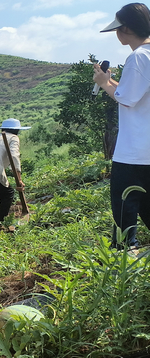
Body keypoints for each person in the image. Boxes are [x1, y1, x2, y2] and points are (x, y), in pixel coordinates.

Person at [94, 2, 150, 249]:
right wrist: (110, 81)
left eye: (118, 29)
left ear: (125, 28)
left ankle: (127, 258)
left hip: (134, 153)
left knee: (125, 209)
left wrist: (103, 84)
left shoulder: (138, 57)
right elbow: (135, 94)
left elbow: (127, 99)